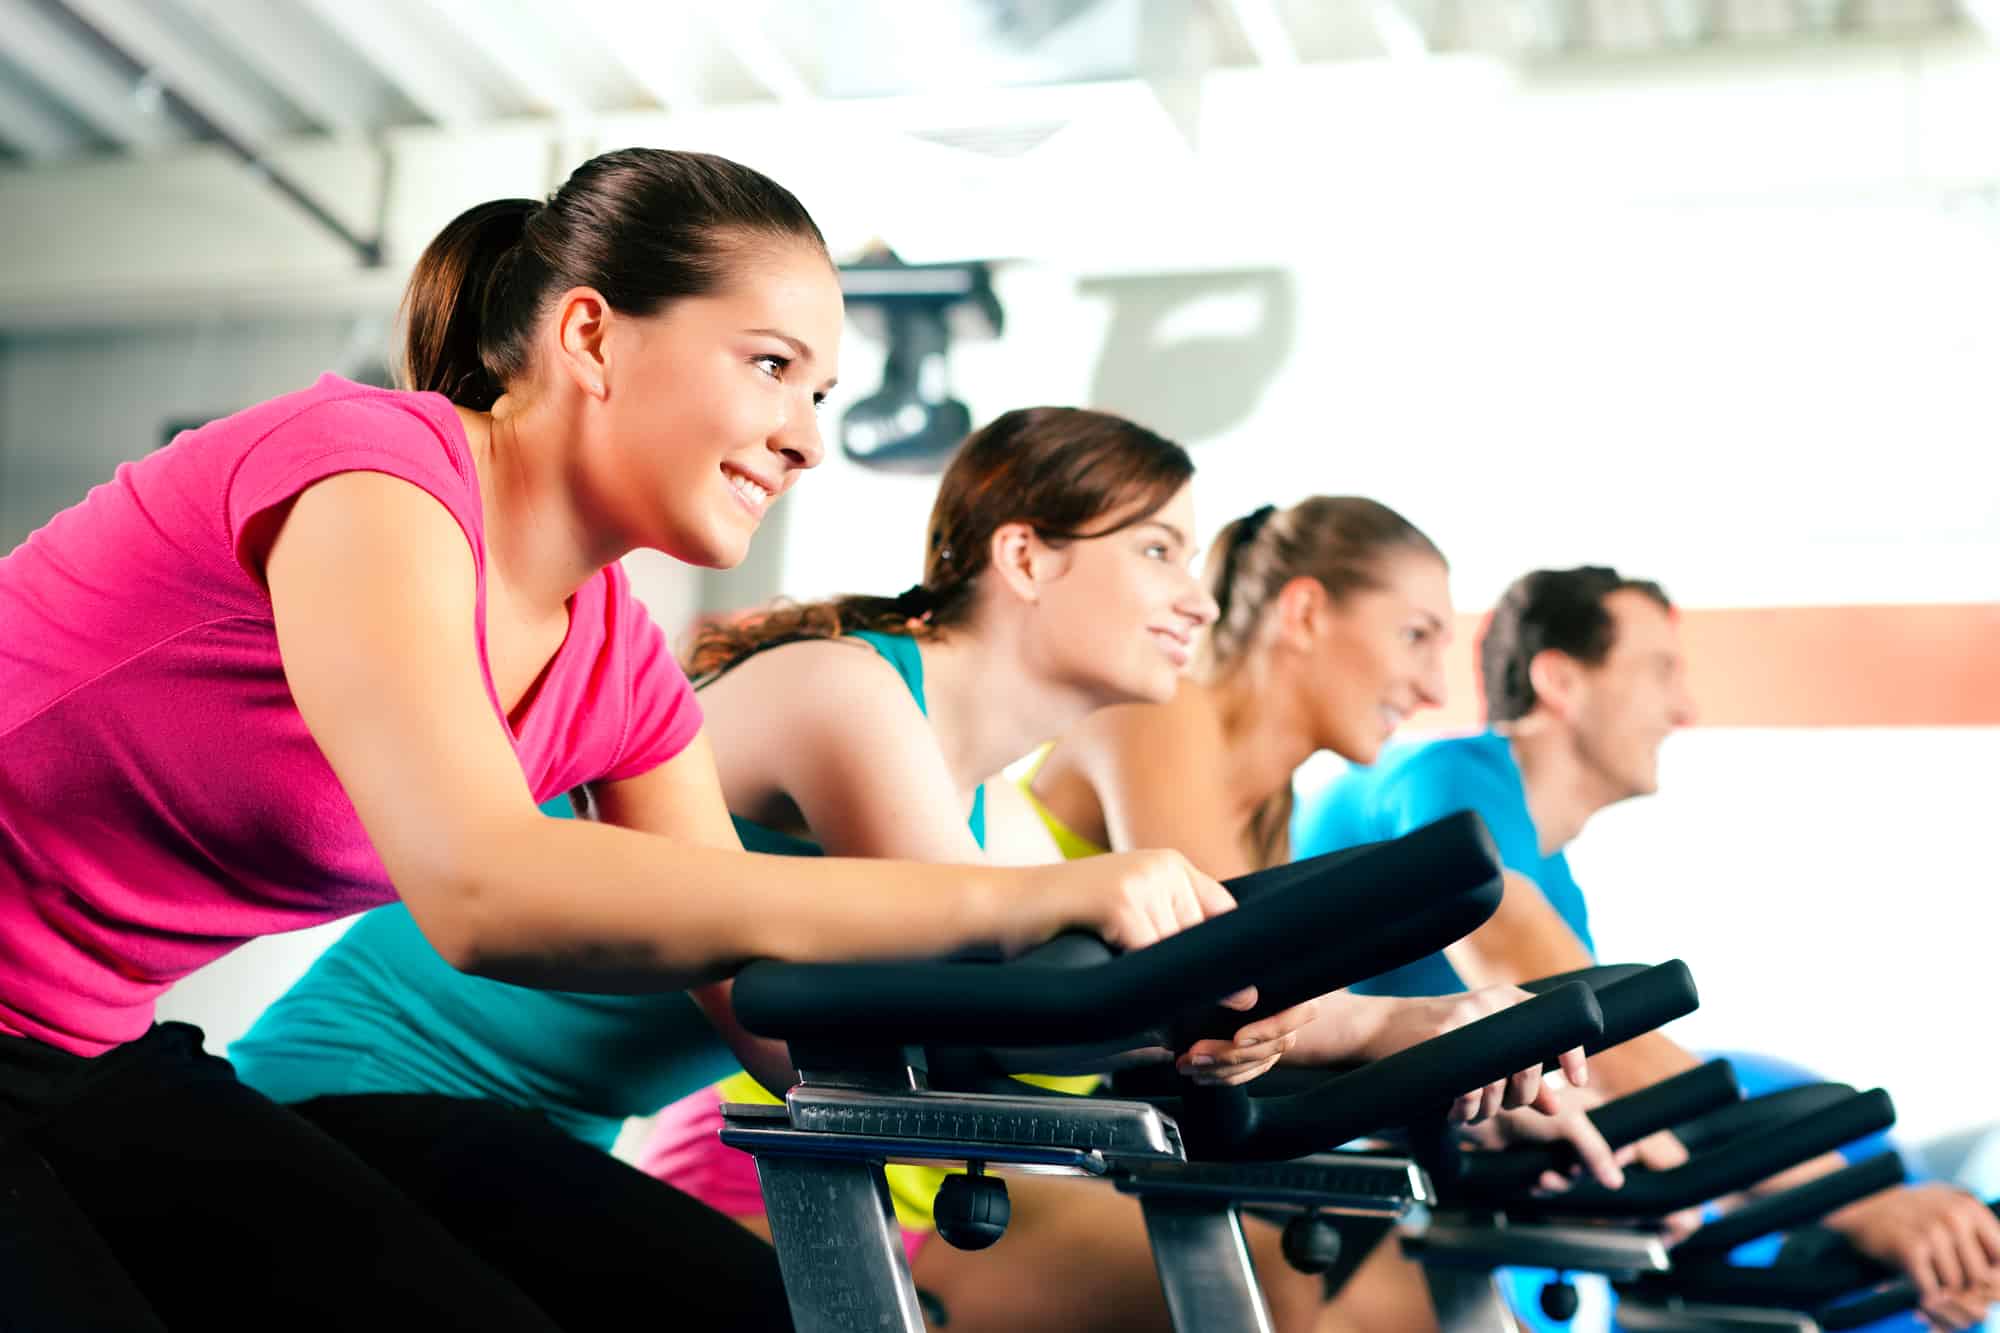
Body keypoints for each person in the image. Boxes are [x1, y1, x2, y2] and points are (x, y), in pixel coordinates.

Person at [0, 146, 1232, 1330]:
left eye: (819, 394)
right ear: (589, 334)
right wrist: (1012, 903)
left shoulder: (616, 668)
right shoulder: (372, 482)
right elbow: (484, 890)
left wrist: (1188, 1022)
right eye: (769, 366)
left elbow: (762, 997)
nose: (805, 437)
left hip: (79, 1047)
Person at [921, 498, 1619, 1333]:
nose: (1436, 685)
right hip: (937, 1161)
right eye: (1415, 636)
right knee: (1274, 1290)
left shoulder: (1270, 811)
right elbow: (1224, 980)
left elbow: (1261, 1038)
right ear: (1306, 611)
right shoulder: (1161, 713)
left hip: (1041, 1147)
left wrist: (1464, 1079)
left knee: (1420, 1303)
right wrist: (1438, 1023)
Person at [1295, 565, 2000, 1331]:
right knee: (1825, 1147)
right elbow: (1569, 1023)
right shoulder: (1450, 776)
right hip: (1340, 1191)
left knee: (1828, 1161)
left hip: (1452, 1170)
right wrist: (1860, 1200)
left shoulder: (1550, 874)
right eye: (1660, 670)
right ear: (1561, 679)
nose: (1685, 708)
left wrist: (1864, 1222)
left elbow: (1597, 1075)